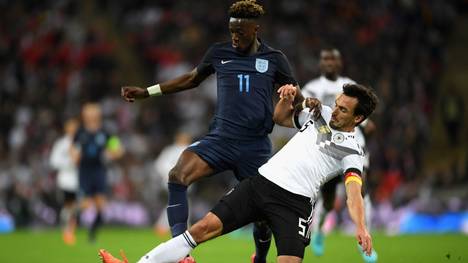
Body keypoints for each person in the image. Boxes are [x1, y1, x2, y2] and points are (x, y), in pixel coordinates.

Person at [99, 83, 378, 263]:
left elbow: (354, 194)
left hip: (294, 206)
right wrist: (287, 98)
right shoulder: (321, 113)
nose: (335, 112)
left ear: (358, 118)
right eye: (337, 104)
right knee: (200, 230)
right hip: (261, 184)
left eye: (343, 110)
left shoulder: (353, 152)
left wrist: (361, 226)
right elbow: (280, 118)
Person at [120, 1, 299, 262]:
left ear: (255, 29)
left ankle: (260, 257)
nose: (235, 37)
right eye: (231, 31)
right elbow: (191, 79)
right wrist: (148, 91)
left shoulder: (274, 59)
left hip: (255, 146)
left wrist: (304, 101)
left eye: (241, 31)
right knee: (177, 175)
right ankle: (181, 253)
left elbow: (297, 96)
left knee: (262, 214)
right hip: (221, 140)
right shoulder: (219, 52)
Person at [302, 48, 378, 262]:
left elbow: (364, 118)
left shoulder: (349, 85)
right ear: (320, 63)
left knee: (362, 192)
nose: (329, 63)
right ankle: (318, 232)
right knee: (327, 201)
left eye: (333, 59)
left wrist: (367, 132)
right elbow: (306, 117)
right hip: (327, 150)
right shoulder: (312, 88)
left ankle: (365, 243)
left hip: (352, 148)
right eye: (325, 59)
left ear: (340, 62)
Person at [70, 103, 124, 242]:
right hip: (85, 171)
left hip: (99, 171)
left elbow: (118, 149)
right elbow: (73, 148)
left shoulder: (105, 132)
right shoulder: (80, 132)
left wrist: (111, 153)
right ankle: (71, 224)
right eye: (88, 113)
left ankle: (92, 235)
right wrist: (74, 156)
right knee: (85, 204)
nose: (90, 116)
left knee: (101, 206)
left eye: (93, 113)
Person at [49, 117, 79, 245]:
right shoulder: (61, 144)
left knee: (75, 207)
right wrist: (69, 162)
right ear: (66, 128)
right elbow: (53, 162)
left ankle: (70, 230)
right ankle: (66, 230)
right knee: (68, 205)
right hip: (66, 179)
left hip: (79, 180)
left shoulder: (80, 142)